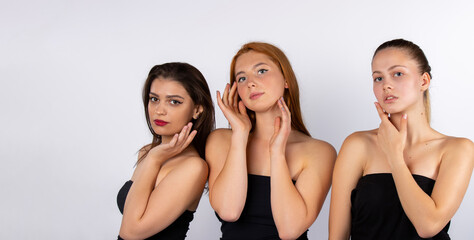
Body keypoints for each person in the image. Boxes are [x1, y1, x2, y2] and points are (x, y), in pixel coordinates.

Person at [329, 39, 474, 240]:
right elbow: (337, 236)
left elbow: (428, 226)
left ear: (423, 81)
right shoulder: (357, 145)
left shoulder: (457, 149)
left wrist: (395, 157)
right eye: (378, 78)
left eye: (398, 74)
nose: (386, 85)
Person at [206, 42, 336, 240]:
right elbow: (229, 211)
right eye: (241, 78)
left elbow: (290, 230)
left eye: (261, 71)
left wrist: (277, 153)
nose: (250, 82)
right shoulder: (221, 141)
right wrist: (240, 135)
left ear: (286, 80)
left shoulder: (319, 151)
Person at [117, 62, 215, 239]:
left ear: (197, 109)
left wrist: (154, 159)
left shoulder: (193, 167)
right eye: (154, 99)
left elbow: (130, 232)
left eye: (174, 102)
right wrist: (153, 156)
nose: (159, 110)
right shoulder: (147, 152)